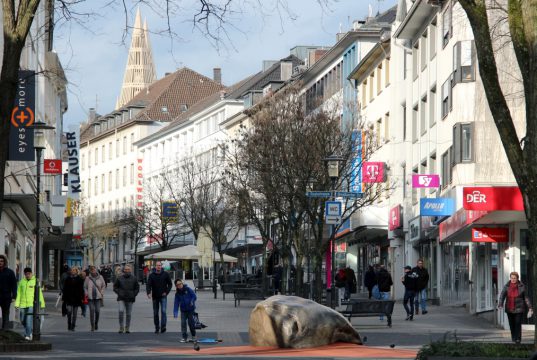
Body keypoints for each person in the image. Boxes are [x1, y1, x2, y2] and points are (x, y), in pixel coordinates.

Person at [498, 271, 533, 344]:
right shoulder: (506, 286)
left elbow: (526, 298)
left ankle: (518, 339)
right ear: (510, 278)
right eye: (512, 278)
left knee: (517, 323)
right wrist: (500, 304)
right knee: (512, 324)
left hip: (519, 308)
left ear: (517, 278)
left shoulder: (522, 286)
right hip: (509, 308)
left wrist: (530, 307)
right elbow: (502, 295)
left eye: (514, 278)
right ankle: (513, 337)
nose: (513, 279)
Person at [15, 268, 45, 340]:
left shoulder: (35, 282)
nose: (28, 275)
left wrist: (42, 304)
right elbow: (18, 294)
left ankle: (28, 335)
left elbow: (39, 294)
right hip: (22, 304)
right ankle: (30, 330)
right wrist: (17, 304)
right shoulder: (21, 282)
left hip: (31, 304)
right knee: (22, 320)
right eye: (26, 274)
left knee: (28, 320)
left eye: (29, 273)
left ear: (31, 273)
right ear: (24, 274)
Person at [146, 261, 172, 333]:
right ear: (155, 266)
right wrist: (148, 293)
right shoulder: (151, 275)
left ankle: (163, 326)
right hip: (155, 296)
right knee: (155, 313)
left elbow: (170, 284)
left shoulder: (165, 274)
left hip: (163, 296)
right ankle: (157, 327)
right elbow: (148, 285)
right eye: (157, 265)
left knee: (163, 311)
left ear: (161, 266)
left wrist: (166, 292)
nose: (158, 267)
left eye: (159, 265)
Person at [113, 265, 140, 333]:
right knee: (121, 311)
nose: (127, 270)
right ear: (124, 270)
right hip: (121, 298)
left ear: (130, 270)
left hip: (130, 298)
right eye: (126, 269)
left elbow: (137, 288)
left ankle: (127, 327)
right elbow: (115, 287)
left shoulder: (134, 278)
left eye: (128, 269)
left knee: (128, 314)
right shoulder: (119, 278)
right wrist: (119, 292)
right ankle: (121, 327)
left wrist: (134, 294)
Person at [62, 266, 85, 331]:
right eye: (72, 270)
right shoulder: (68, 279)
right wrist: (64, 297)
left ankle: (73, 326)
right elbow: (65, 289)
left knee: (75, 314)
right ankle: (69, 324)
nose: (73, 271)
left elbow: (81, 289)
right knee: (69, 311)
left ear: (76, 271)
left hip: (76, 299)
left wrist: (82, 297)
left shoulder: (79, 279)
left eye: (74, 270)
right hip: (69, 298)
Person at [84, 265, 106, 331]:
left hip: (98, 297)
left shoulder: (100, 277)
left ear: (96, 270)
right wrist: (86, 293)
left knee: (97, 311)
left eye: (94, 270)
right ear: (90, 271)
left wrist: (102, 292)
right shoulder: (87, 278)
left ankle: (96, 323)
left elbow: (103, 285)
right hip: (90, 298)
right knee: (92, 311)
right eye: (92, 270)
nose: (93, 271)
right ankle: (92, 326)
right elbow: (85, 287)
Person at [0, 254, 17, 329]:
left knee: (5, 315)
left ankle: (5, 332)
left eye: (2, 261)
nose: (0, 262)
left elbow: (14, 285)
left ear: (4, 262)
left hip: (6, 297)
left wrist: (14, 296)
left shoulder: (10, 272)